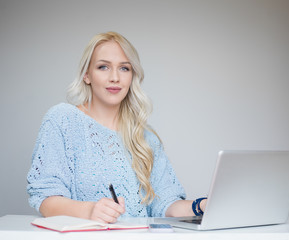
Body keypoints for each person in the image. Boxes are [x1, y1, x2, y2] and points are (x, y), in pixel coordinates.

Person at [27, 31, 207, 223]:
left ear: (132, 76)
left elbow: (166, 203)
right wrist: (89, 211)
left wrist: (202, 205)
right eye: (103, 67)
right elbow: (44, 198)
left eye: (124, 68)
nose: (115, 77)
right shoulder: (62, 120)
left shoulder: (145, 138)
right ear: (87, 75)